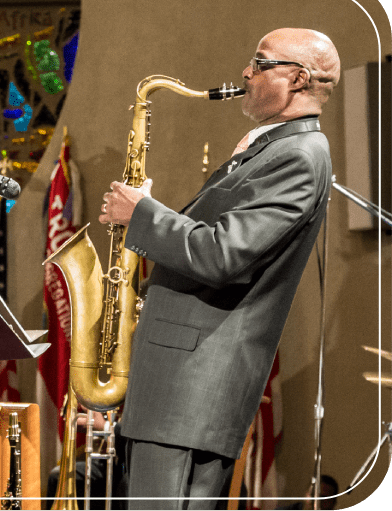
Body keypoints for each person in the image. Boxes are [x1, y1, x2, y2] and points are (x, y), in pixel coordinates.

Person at [98, 28, 341, 510]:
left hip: (191, 390)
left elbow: (221, 255)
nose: (246, 73)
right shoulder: (270, 149)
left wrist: (142, 213)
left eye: (259, 62)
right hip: (175, 388)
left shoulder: (299, 155)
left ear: (297, 79)